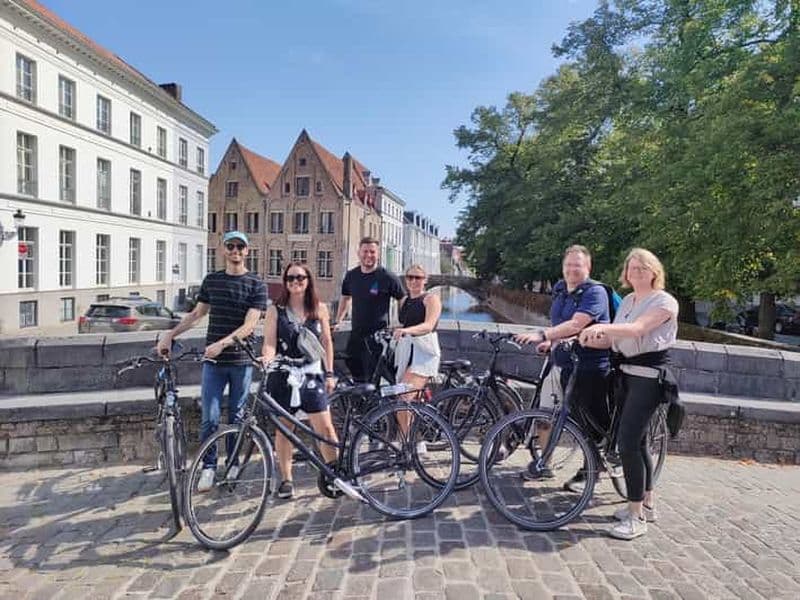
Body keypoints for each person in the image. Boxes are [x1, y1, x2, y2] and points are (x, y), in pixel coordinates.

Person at [579, 248, 679, 540]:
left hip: (648, 380)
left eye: (642, 268)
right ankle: (647, 503)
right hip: (626, 377)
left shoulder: (664, 302)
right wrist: (580, 340)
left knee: (627, 444)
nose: (636, 273)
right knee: (640, 441)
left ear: (654, 272)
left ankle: (635, 518)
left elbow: (636, 330)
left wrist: (601, 326)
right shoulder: (628, 302)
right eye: (632, 268)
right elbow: (614, 338)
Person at [158, 231, 267, 492]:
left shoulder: (256, 284)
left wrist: (222, 343)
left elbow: (250, 324)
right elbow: (197, 314)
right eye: (231, 246)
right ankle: (208, 467)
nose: (235, 251)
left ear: (247, 251)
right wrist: (170, 335)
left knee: (237, 417)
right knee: (210, 416)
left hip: (240, 361)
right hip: (214, 364)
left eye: (240, 247)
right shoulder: (213, 280)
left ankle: (231, 464)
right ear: (223, 250)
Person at [514, 245, 611, 490]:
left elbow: (577, 324)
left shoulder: (595, 293)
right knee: (545, 414)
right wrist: (551, 341)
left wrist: (541, 333)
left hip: (589, 367)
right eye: (568, 265)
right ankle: (544, 463)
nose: (571, 270)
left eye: (577, 265)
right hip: (560, 363)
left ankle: (593, 470)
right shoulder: (561, 290)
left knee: (587, 424)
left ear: (588, 268)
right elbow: (561, 325)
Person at [262, 262, 339, 500]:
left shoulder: (319, 308)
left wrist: (329, 372)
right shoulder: (276, 310)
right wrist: (266, 358)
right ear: (285, 282)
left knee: (325, 428)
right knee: (285, 429)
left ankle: (335, 473)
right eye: (290, 278)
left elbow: (326, 342)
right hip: (284, 375)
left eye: (300, 277)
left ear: (308, 281)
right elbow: (270, 342)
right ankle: (286, 479)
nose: (295, 282)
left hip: (312, 373)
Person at [335, 237, 405, 382]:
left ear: (378, 254)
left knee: (374, 376)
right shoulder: (351, 275)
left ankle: (374, 403)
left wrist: (403, 321)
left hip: (377, 338)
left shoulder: (387, 276)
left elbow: (402, 298)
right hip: (356, 335)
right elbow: (345, 298)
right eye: (365, 251)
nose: (368, 255)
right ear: (358, 253)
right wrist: (338, 321)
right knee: (354, 369)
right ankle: (361, 403)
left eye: (372, 252)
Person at [392, 264, 442, 436]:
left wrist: (406, 331)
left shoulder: (431, 299)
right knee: (404, 400)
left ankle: (409, 445)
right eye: (410, 277)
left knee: (403, 398)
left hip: (424, 354)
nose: (414, 281)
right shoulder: (405, 301)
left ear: (425, 280)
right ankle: (412, 441)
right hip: (407, 353)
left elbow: (428, 325)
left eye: (418, 278)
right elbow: (405, 323)